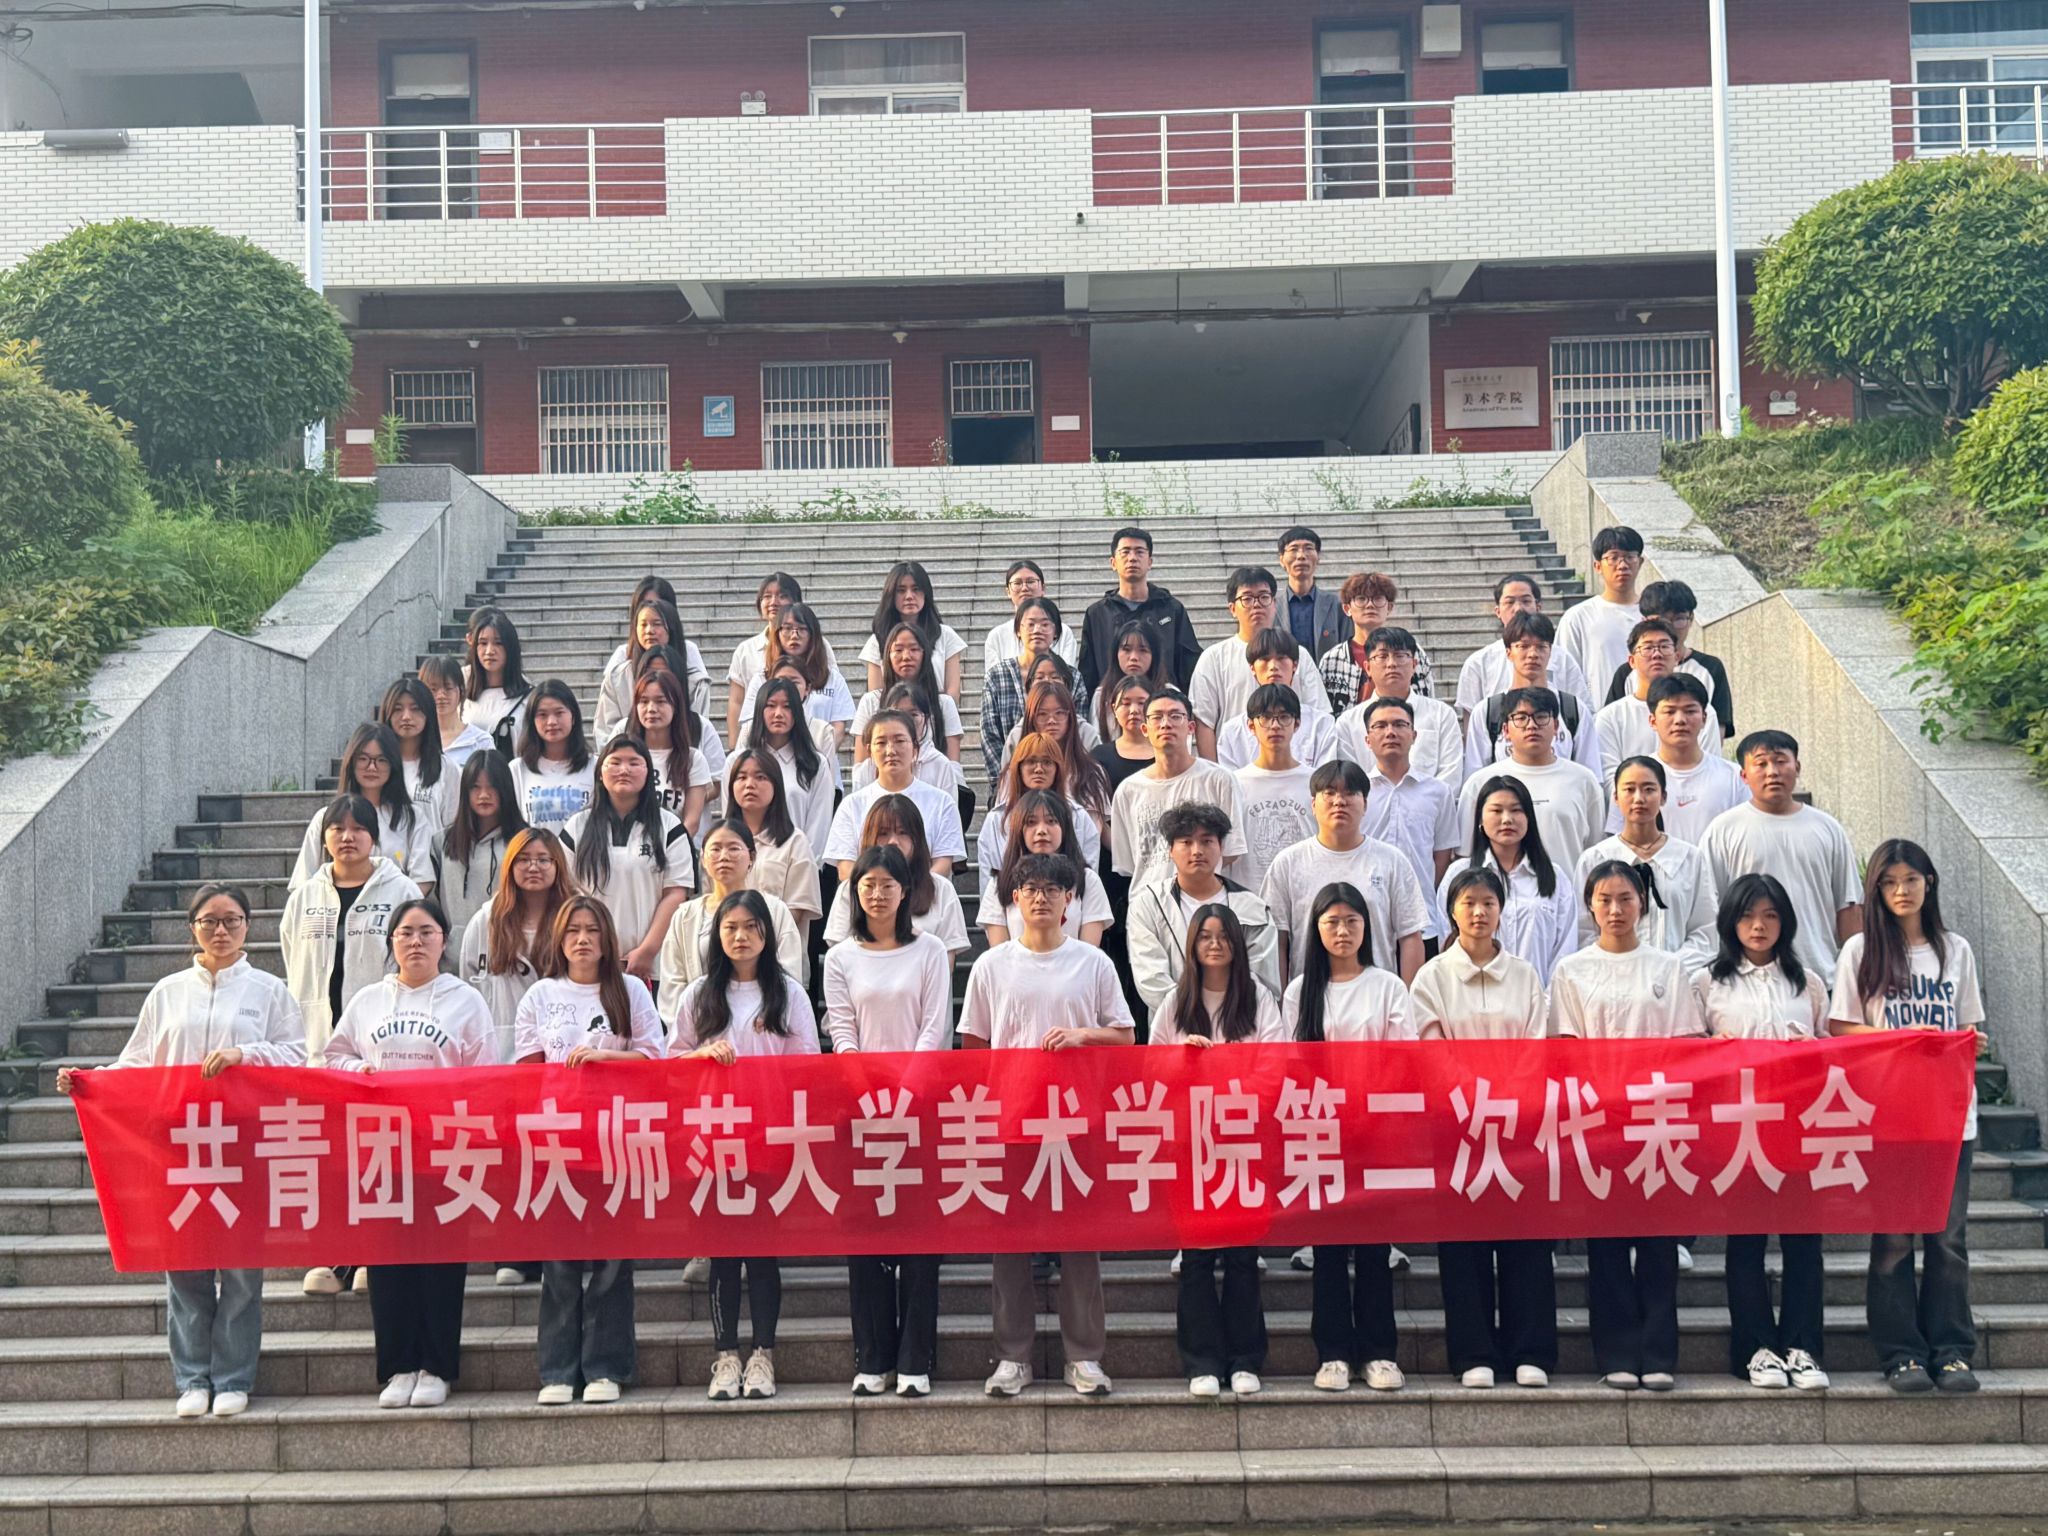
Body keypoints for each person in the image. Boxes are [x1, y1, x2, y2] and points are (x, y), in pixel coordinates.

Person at [56, 884, 305, 1421]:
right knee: (185, 1264)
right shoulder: (167, 992)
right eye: (209, 920)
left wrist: (245, 1054)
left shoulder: (270, 990)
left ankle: (233, 1377)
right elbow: (137, 1063)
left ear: (248, 926)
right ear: (192, 928)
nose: (221, 930)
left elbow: (297, 1055)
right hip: (180, 1145)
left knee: (242, 1270)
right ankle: (192, 1377)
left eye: (232, 919)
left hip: (244, 1143)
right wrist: (90, 1080)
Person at [959, 853, 1134, 1399]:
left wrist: (1082, 1035)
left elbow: (1125, 1036)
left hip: (1078, 1120)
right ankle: (1013, 1357)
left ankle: (1084, 1356)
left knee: (1081, 1243)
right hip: (1012, 1120)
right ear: (1014, 899)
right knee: (1010, 1243)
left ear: (1069, 901)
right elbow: (974, 1045)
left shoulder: (1093, 963)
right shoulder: (992, 966)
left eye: (1052, 889)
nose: (1041, 897)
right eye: (1030, 889)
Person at [323, 898, 493, 1408]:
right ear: (391, 942)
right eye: (405, 933)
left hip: (444, 1146)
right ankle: (398, 1366)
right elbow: (335, 1056)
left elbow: (485, 1073)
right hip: (382, 1146)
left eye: (426, 932)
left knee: (441, 1261)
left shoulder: (466, 1001)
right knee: (388, 1259)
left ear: (444, 940)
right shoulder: (368, 1000)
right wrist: (360, 1072)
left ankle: (437, 1366)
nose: (416, 941)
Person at [1830, 840, 1984, 1395]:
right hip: (1889, 1115)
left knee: (1948, 1239)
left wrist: (1967, 1042)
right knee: (1894, 1239)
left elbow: (1969, 1026)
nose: (1901, 891)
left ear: (1929, 883)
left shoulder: (1955, 949)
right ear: (1875, 889)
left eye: (1911, 880)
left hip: (1950, 1115)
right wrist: (1900, 1039)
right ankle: (1900, 1353)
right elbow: (1841, 1028)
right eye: (1889, 882)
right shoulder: (1860, 950)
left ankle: (1952, 1350)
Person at [1549, 861, 1705, 1391]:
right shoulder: (1572, 970)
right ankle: (1615, 1351)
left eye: (1626, 898)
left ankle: (1658, 1352)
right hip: (1599, 1118)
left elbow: (1686, 1043)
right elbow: (1565, 1048)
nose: (1615, 910)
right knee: (1607, 1244)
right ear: (1590, 906)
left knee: (1658, 1243)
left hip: (1656, 1117)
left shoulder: (1668, 967)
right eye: (1604, 899)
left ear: (1643, 902)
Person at [515, 896, 665, 1406]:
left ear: (607, 939)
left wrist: (604, 1059)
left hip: (617, 1137)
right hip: (557, 1139)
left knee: (612, 1260)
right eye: (573, 930)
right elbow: (527, 1071)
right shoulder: (540, 994)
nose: (582, 940)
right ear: (559, 939)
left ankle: (606, 1367)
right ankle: (558, 1370)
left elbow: (654, 1057)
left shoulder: (631, 990)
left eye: (592, 931)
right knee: (559, 1261)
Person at [1409, 867, 1554, 1390]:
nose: (1478, 912)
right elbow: (1431, 1049)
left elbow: (1537, 1042)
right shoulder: (1432, 978)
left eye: (1489, 902)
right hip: (1458, 1126)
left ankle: (1529, 1349)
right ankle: (1473, 1352)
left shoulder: (1525, 975)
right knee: (1463, 1244)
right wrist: (1474, 1096)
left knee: (1526, 1239)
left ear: (1501, 910)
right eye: (1468, 902)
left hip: (1520, 1124)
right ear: (1451, 911)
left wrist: (1509, 1096)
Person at [676, 890, 821, 1401]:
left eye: (750, 927)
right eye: (730, 927)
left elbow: (807, 1064)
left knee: (761, 1253)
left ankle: (763, 1354)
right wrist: (701, 1056)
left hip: (768, 1137)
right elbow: (670, 1064)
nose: (740, 937)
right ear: (717, 935)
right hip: (713, 1138)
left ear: (767, 933)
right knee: (722, 1253)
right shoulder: (698, 995)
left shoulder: (788, 993)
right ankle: (725, 1356)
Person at [1693, 873, 1831, 1393]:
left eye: (1770, 915)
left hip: (1798, 1127)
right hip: (1740, 1130)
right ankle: (1755, 1348)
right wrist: (1714, 1049)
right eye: (1749, 915)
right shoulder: (1708, 983)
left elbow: (1830, 1051)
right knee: (1746, 1242)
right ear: (1731, 921)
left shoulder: (1807, 983)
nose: (1759, 926)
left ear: (1785, 922)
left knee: (1803, 1243)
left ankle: (1802, 1346)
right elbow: (1688, 1054)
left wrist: (1811, 1051)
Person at [824, 844, 953, 1399]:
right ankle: (873, 1357)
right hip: (861, 1111)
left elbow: (934, 1027)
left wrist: (904, 1096)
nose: (876, 894)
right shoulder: (839, 957)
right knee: (866, 1236)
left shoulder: (929, 950)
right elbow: (842, 1031)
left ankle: (915, 1358)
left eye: (887, 885)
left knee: (920, 1237)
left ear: (906, 892)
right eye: (867, 885)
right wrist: (867, 1096)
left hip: (919, 1108)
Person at [1283, 882, 1415, 1394]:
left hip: (1376, 1130)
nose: (1342, 931)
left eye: (1352, 921)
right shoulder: (1300, 992)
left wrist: (1368, 1104)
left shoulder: (1388, 986)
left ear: (1366, 927)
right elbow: (1293, 1064)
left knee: (1375, 1248)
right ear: (1316, 929)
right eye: (1332, 922)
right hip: (1321, 1131)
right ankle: (1333, 1353)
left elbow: (1402, 1056)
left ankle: (1380, 1352)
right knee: (1330, 1249)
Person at [1153, 903, 1281, 1399]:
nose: (1214, 944)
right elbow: (1153, 1068)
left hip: (1244, 1141)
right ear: (1191, 944)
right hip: (1191, 1145)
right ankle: (1201, 1360)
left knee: (1244, 1256)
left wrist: (1235, 1085)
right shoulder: (1176, 1001)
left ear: (1236, 943)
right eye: (1204, 935)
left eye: (1222, 935)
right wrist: (1183, 1062)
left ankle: (1245, 1359)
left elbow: (1275, 1063)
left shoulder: (1258, 998)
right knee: (1198, 1258)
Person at [1701, 730, 1861, 983]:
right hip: (1745, 979)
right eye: (1761, 763)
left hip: (1819, 975)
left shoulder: (1828, 828)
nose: (1772, 772)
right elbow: (1708, 907)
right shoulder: (1723, 830)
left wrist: (1854, 974)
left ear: (1797, 767)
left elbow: (1848, 905)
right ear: (1744, 775)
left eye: (1780, 761)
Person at [1260, 760, 1428, 985]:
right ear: (1313, 804)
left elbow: (1410, 937)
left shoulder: (1392, 861)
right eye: (1329, 793)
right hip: (1310, 995)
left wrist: (1407, 999)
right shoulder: (1288, 863)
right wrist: (1281, 999)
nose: (1339, 801)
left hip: (1377, 996)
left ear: (1365, 804)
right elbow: (1277, 941)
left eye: (1350, 793)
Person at [1127, 801, 1283, 1012]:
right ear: (1170, 850)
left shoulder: (1252, 907)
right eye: (1186, 842)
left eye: (1207, 841)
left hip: (1239, 1022)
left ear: (1221, 847)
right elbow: (1150, 977)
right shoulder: (1148, 904)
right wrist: (1191, 1014)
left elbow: (1262, 977)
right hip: (1173, 1022)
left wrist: (1223, 1015)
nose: (1197, 851)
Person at [561, 737, 693, 982]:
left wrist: (647, 951)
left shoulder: (669, 826)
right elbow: (566, 890)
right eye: (615, 762)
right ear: (600, 773)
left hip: (651, 965)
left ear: (648, 772)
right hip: (591, 962)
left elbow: (675, 893)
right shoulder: (577, 826)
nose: (624, 770)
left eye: (634, 763)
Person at [1573, 756, 1717, 968]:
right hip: (1612, 977)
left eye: (1649, 789)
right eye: (1629, 790)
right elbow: (1584, 931)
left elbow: (1705, 932)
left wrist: (1668, 968)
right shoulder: (1596, 859)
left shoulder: (1690, 858)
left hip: (1677, 978)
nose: (1639, 798)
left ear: (1663, 796)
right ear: (1615, 797)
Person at [1451, 686, 1608, 873]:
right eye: (1521, 718)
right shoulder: (1480, 783)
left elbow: (1596, 855)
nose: (1531, 725)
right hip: (1497, 890)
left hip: (1567, 889)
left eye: (1541, 717)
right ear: (1506, 730)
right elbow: (1465, 856)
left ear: (1556, 726)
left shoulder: (1584, 781)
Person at [1441, 776, 1578, 984]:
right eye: (1496, 811)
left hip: (1540, 997)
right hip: (1473, 995)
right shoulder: (1458, 874)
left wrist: (1545, 999)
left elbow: (1565, 950)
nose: (1507, 819)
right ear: (1480, 819)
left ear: (1529, 818)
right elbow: (1448, 940)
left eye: (1516, 810)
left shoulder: (1555, 877)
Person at [660, 818, 806, 1011]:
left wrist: (761, 1019)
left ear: (751, 857)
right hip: (702, 1022)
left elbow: (788, 973)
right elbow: (672, 983)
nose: (724, 856)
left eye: (734, 848)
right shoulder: (685, 915)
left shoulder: (775, 910)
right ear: (703, 859)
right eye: (715, 849)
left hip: (763, 1021)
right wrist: (697, 1024)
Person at [1109, 688, 1246, 891]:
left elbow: (1231, 849)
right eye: (1157, 717)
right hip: (1147, 901)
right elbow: (1128, 863)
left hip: (1204, 901)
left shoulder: (1219, 780)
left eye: (1175, 716)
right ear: (1145, 729)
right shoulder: (1128, 791)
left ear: (1191, 727)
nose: (1166, 724)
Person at [460, 826, 575, 1067]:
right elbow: (468, 989)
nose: (533, 867)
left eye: (543, 860)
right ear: (510, 866)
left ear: (558, 865)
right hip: (502, 1051)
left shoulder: (575, 917)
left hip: (564, 1048)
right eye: (523, 859)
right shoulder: (485, 920)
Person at [1354, 697, 1460, 956]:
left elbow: (1441, 856)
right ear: (1367, 739)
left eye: (1400, 725)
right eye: (1380, 726)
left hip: (1422, 919)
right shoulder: (1356, 793)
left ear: (1414, 735)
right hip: (1366, 919)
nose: (1390, 732)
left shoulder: (1438, 792)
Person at [1190, 567, 1332, 759]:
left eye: (1264, 597)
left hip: (1295, 762)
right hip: (1235, 761)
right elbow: (1205, 722)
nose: (1256, 604)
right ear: (1232, 608)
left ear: (1274, 604)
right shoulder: (1213, 658)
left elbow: (1318, 712)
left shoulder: (1299, 655)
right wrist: (1214, 771)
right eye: (1247, 598)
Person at [822, 793, 970, 958]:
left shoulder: (941, 889)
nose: (893, 841)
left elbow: (946, 959)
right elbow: (839, 956)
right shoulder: (850, 888)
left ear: (917, 838)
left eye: (902, 832)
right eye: (883, 833)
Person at [289, 723, 434, 890]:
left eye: (381, 760)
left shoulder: (412, 818)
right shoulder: (325, 818)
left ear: (393, 764)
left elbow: (422, 880)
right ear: (351, 762)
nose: (371, 767)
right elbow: (302, 883)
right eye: (363, 759)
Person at [825, 712, 967, 879]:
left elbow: (943, 863)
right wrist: (878, 889)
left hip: (926, 893)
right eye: (881, 743)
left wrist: (911, 890)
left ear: (915, 748)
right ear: (869, 750)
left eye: (899, 741)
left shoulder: (942, 802)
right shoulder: (851, 805)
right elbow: (846, 866)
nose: (891, 750)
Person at [1461, 613, 1602, 780]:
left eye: (1541, 646)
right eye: (1523, 646)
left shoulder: (1573, 709)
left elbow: (1591, 776)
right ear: (1508, 652)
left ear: (1551, 652)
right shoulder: (1487, 712)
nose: (1533, 654)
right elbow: (1475, 780)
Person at [1591, 619, 1721, 789]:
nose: (1657, 654)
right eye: (1648, 648)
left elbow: (1709, 768)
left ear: (1677, 657)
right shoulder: (1610, 717)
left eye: (1664, 646)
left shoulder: (1700, 711)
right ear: (1631, 661)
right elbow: (1609, 779)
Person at [720, 748, 824, 958]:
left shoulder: (795, 842)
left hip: (779, 955)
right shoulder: (720, 842)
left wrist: (754, 939)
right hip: (728, 954)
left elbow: (796, 910)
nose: (750, 784)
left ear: (776, 785)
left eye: (760, 777)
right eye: (741, 777)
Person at [1078, 525, 1203, 698]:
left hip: (1163, 704)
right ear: (1113, 563)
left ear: (1150, 562)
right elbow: (1088, 672)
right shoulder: (1098, 614)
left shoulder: (1171, 609)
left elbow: (1189, 667)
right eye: (1125, 552)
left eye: (1139, 552)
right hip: (1114, 704)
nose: (1132, 558)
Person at [979, 790, 1113, 948]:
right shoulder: (1000, 882)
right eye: (1031, 822)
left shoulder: (1087, 880)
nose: (1041, 830)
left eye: (1051, 821)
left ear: (1064, 827)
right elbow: (999, 953)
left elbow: (1089, 953)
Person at [1602, 579, 1734, 738]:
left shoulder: (1711, 668)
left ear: (1691, 619)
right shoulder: (1627, 672)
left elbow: (1717, 732)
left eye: (1679, 619)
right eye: (1661, 620)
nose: (1669, 627)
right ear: (1644, 621)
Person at [1454, 574, 1593, 724]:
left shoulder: (1562, 658)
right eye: (1510, 602)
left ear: (1538, 607)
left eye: (1526, 601)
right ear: (1498, 611)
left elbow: (1582, 713)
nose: (1519, 608)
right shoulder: (1479, 663)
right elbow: (1472, 727)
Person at [1333, 627, 1460, 790]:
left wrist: (1418, 801)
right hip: (1370, 805)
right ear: (1368, 667)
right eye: (1382, 656)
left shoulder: (1442, 715)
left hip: (1429, 805)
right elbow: (1350, 781)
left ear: (1414, 665)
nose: (1392, 664)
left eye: (1400, 656)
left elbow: (1451, 776)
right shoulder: (1348, 723)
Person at [1634, 674, 1747, 844]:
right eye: (1670, 711)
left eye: (1690, 711)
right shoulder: (1635, 777)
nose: (1680, 720)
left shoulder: (1734, 776)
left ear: (1704, 718)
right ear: (1653, 720)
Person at [1227, 682, 1317, 893]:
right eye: (1266, 717)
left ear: (1297, 724)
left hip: (1305, 894)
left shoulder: (1315, 782)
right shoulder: (1235, 783)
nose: (1275, 725)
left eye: (1284, 717)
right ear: (1251, 726)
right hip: (1249, 897)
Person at [1213, 629, 1339, 770]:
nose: (1273, 667)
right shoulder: (1233, 732)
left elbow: (1325, 778)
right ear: (1252, 668)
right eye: (1265, 659)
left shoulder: (1321, 725)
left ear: (1295, 665)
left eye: (1281, 658)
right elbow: (1231, 781)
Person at [979, 732, 1103, 875]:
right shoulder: (996, 819)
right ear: (1019, 768)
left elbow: (1088, 875)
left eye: (1047, 762)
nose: (1039, 769)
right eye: (1031, 762)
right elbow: (989, 877)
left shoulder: (1079, 817)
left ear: (1057, 768)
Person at [436, 749, 526, 944]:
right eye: (475, 787)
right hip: (452, 953)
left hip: (506, 948)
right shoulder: (442, 841)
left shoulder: (523, 842)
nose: (484, 795)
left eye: (492, 787)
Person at [999, 679, 1110, 837]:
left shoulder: (1090, 772)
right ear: (1031, 719)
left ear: (1070, 716)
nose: (1051, 721)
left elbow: (1100, 831)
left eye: (1059, 713)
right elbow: (1001, 825)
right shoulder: (1013, 773)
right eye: (1042, 714)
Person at [746, 675, 839, 860]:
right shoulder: (740, 762)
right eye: (771, 705)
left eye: (787, 707)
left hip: (798, 865)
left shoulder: (815, 764)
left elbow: (819, 827)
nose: (778, 714)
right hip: (747, 864)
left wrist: (801, 866)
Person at [1320, 571, 1437, 710]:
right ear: (1347, 608)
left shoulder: (1412, 652)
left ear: (1389, 607)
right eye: (1361, 599)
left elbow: (1427, 703)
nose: (1370, 605)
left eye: (1378, 598)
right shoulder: (1332, 660)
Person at [851, 624, 963, 769]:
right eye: (898, 650)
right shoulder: (871, 702)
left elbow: (953, 766)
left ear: (925, 654)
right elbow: (861, 765)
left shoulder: (944, 704)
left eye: (914, 649)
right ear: (887, 655)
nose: (906, 656)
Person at [742, 600, 855, 742]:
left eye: (801, 629)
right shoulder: (762, 679)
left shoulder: (832, 678)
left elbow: (838, 727)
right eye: (787, 629)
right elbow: (751, 723)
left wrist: (818, 753)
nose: (794, 635)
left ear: (813, 634)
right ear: (777, 633)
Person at [596, 595, 708, 736]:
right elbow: (605, 730)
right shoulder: (618, 677)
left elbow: (697, 729)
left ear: (672, 628)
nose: (649, 630)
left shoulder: (695, 683)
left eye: (657, 624)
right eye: (643, 625)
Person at [982, 595, 1066, 781]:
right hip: (1010, 779)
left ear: (1056, 631)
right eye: (1030, 624)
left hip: (1063, 780)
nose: (1037, 630)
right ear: (1018, 631)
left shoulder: (1070, 676)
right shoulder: (997, 676)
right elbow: (989, 734)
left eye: (1045, 624)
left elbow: (1075, 729)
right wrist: (1004, 781)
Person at [1554, 526, 1645, 690]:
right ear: (1597, 566)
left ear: (1640, 562)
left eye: (1630, 557)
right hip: (1597, 705)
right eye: (1613, 558)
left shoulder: (1654, 614)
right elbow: (1564, 675)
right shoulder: (1578, 617)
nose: (1622, 565)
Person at [859, 561, 965, 699]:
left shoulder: (945, 636)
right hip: (892, 711)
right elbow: (875, 696)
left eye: (916, 589)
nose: (909, 596)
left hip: (937, 710)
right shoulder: (878, 640)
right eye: (901, 590)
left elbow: (953, 693)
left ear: (926, 593)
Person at [624, 669, 711, 836]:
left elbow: (691, 822)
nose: (651, 709)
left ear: (675, 706)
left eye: (660, 701)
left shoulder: (693, 759)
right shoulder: (625, 757)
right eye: (644, 701)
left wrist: (670, 847)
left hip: (676, 847)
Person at [726, 571, 804, 745]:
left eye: (782, 596)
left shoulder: (815, 645)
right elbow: (736, 701)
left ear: (796, 602)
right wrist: (734, 745)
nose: (774, 602)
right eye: (767, 596)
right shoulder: (746, 650)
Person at [510, 679, 596, 833]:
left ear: (573, 717)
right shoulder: (517, 769)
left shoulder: (594, 766)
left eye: (559, 713)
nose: (551, 722)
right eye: (542, 715)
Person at [380, 676, 458, 836]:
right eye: (397, 709)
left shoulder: (446, 767)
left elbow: (452, 827)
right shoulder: (375, 765)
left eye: (415, 709)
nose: (406, 716)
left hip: (430, 851)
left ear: (428, 713)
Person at [984, 558, 1079, 676]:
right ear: (1008, 591)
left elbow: (1066, 677)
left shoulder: (1063, 632)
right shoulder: (997, 636)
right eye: (1017, 583)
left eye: (1030, 582)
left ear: (1043, 588)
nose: (1024, 588)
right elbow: (994, 679)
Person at [460, 606, 532, 753]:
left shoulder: (528, 696)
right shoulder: (460, 687)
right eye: (483, 643)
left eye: (498, 643)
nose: (489, 651)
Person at [1089, 620, 1173, 743]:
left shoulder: (1170, 694)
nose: (1134, 657)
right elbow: (1096, 741)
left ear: (1154, 655)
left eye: (1143, 650)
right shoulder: (1102, 695)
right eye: (1126, 649)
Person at [1275, 524, 1345, 658]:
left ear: (1318, 557)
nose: (1301, 556)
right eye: (1293, 549)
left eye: (1308, 548)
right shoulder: (1271, 606)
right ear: (1282, 560)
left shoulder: (1337, 605)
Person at [418, 654, 493, 773]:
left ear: (461, 691)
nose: (441, 695)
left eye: (448, 688)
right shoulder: (414, 739)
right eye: (433, 689)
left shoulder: (481, 741)